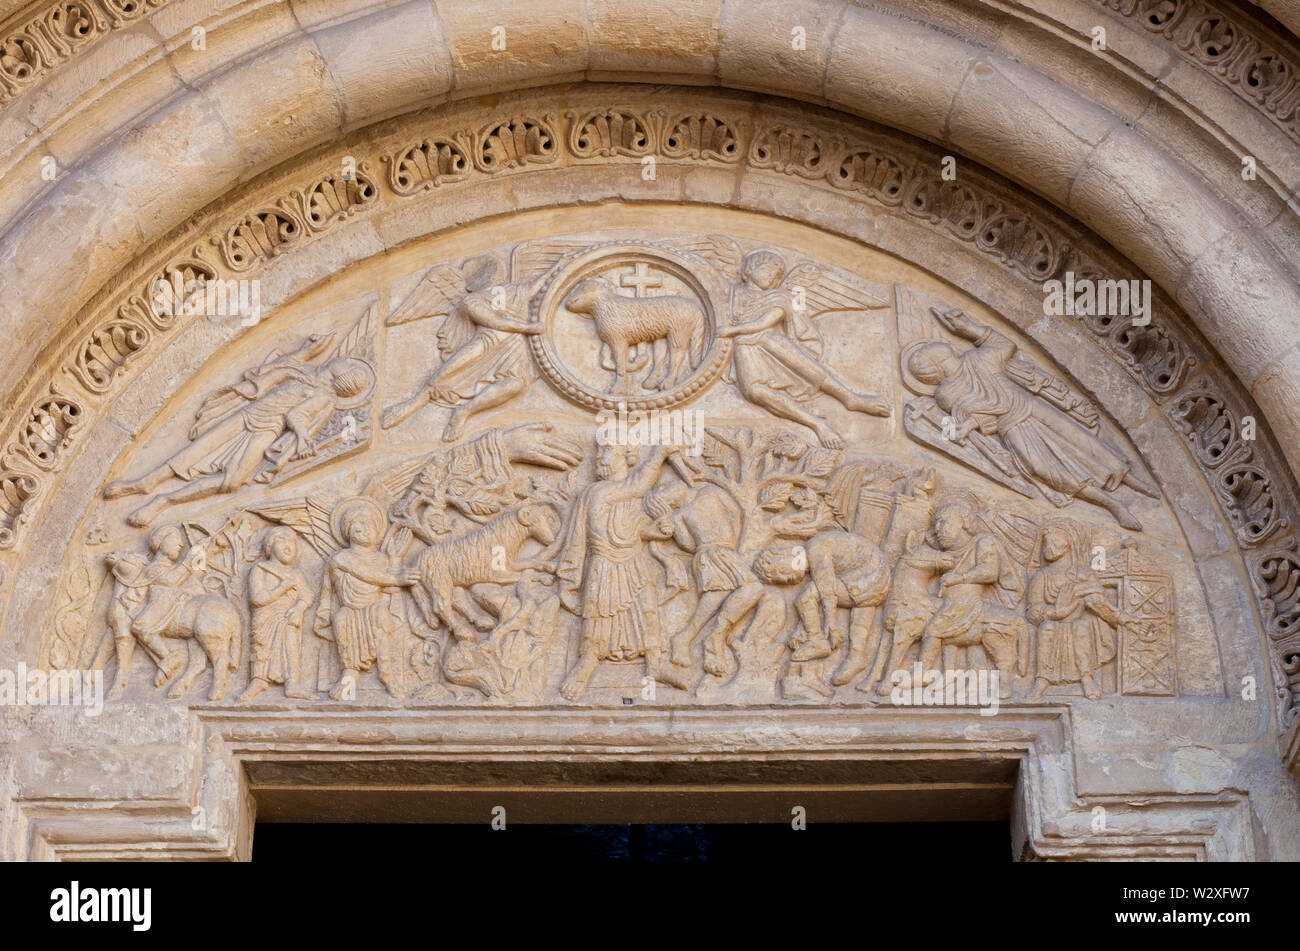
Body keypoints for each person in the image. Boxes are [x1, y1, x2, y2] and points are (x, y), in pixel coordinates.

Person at [717, 250, 890, 448]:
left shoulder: (780, 297)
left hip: (769, 340)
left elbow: (765, 322)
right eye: (769, 270)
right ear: (750, 268)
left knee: (805, 367)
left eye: (777, 275)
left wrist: (732, 329)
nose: (772, 277)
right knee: (756, 393)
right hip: (745, 350)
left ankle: (850, 398)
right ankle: (817, 424)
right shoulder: (731, 294)